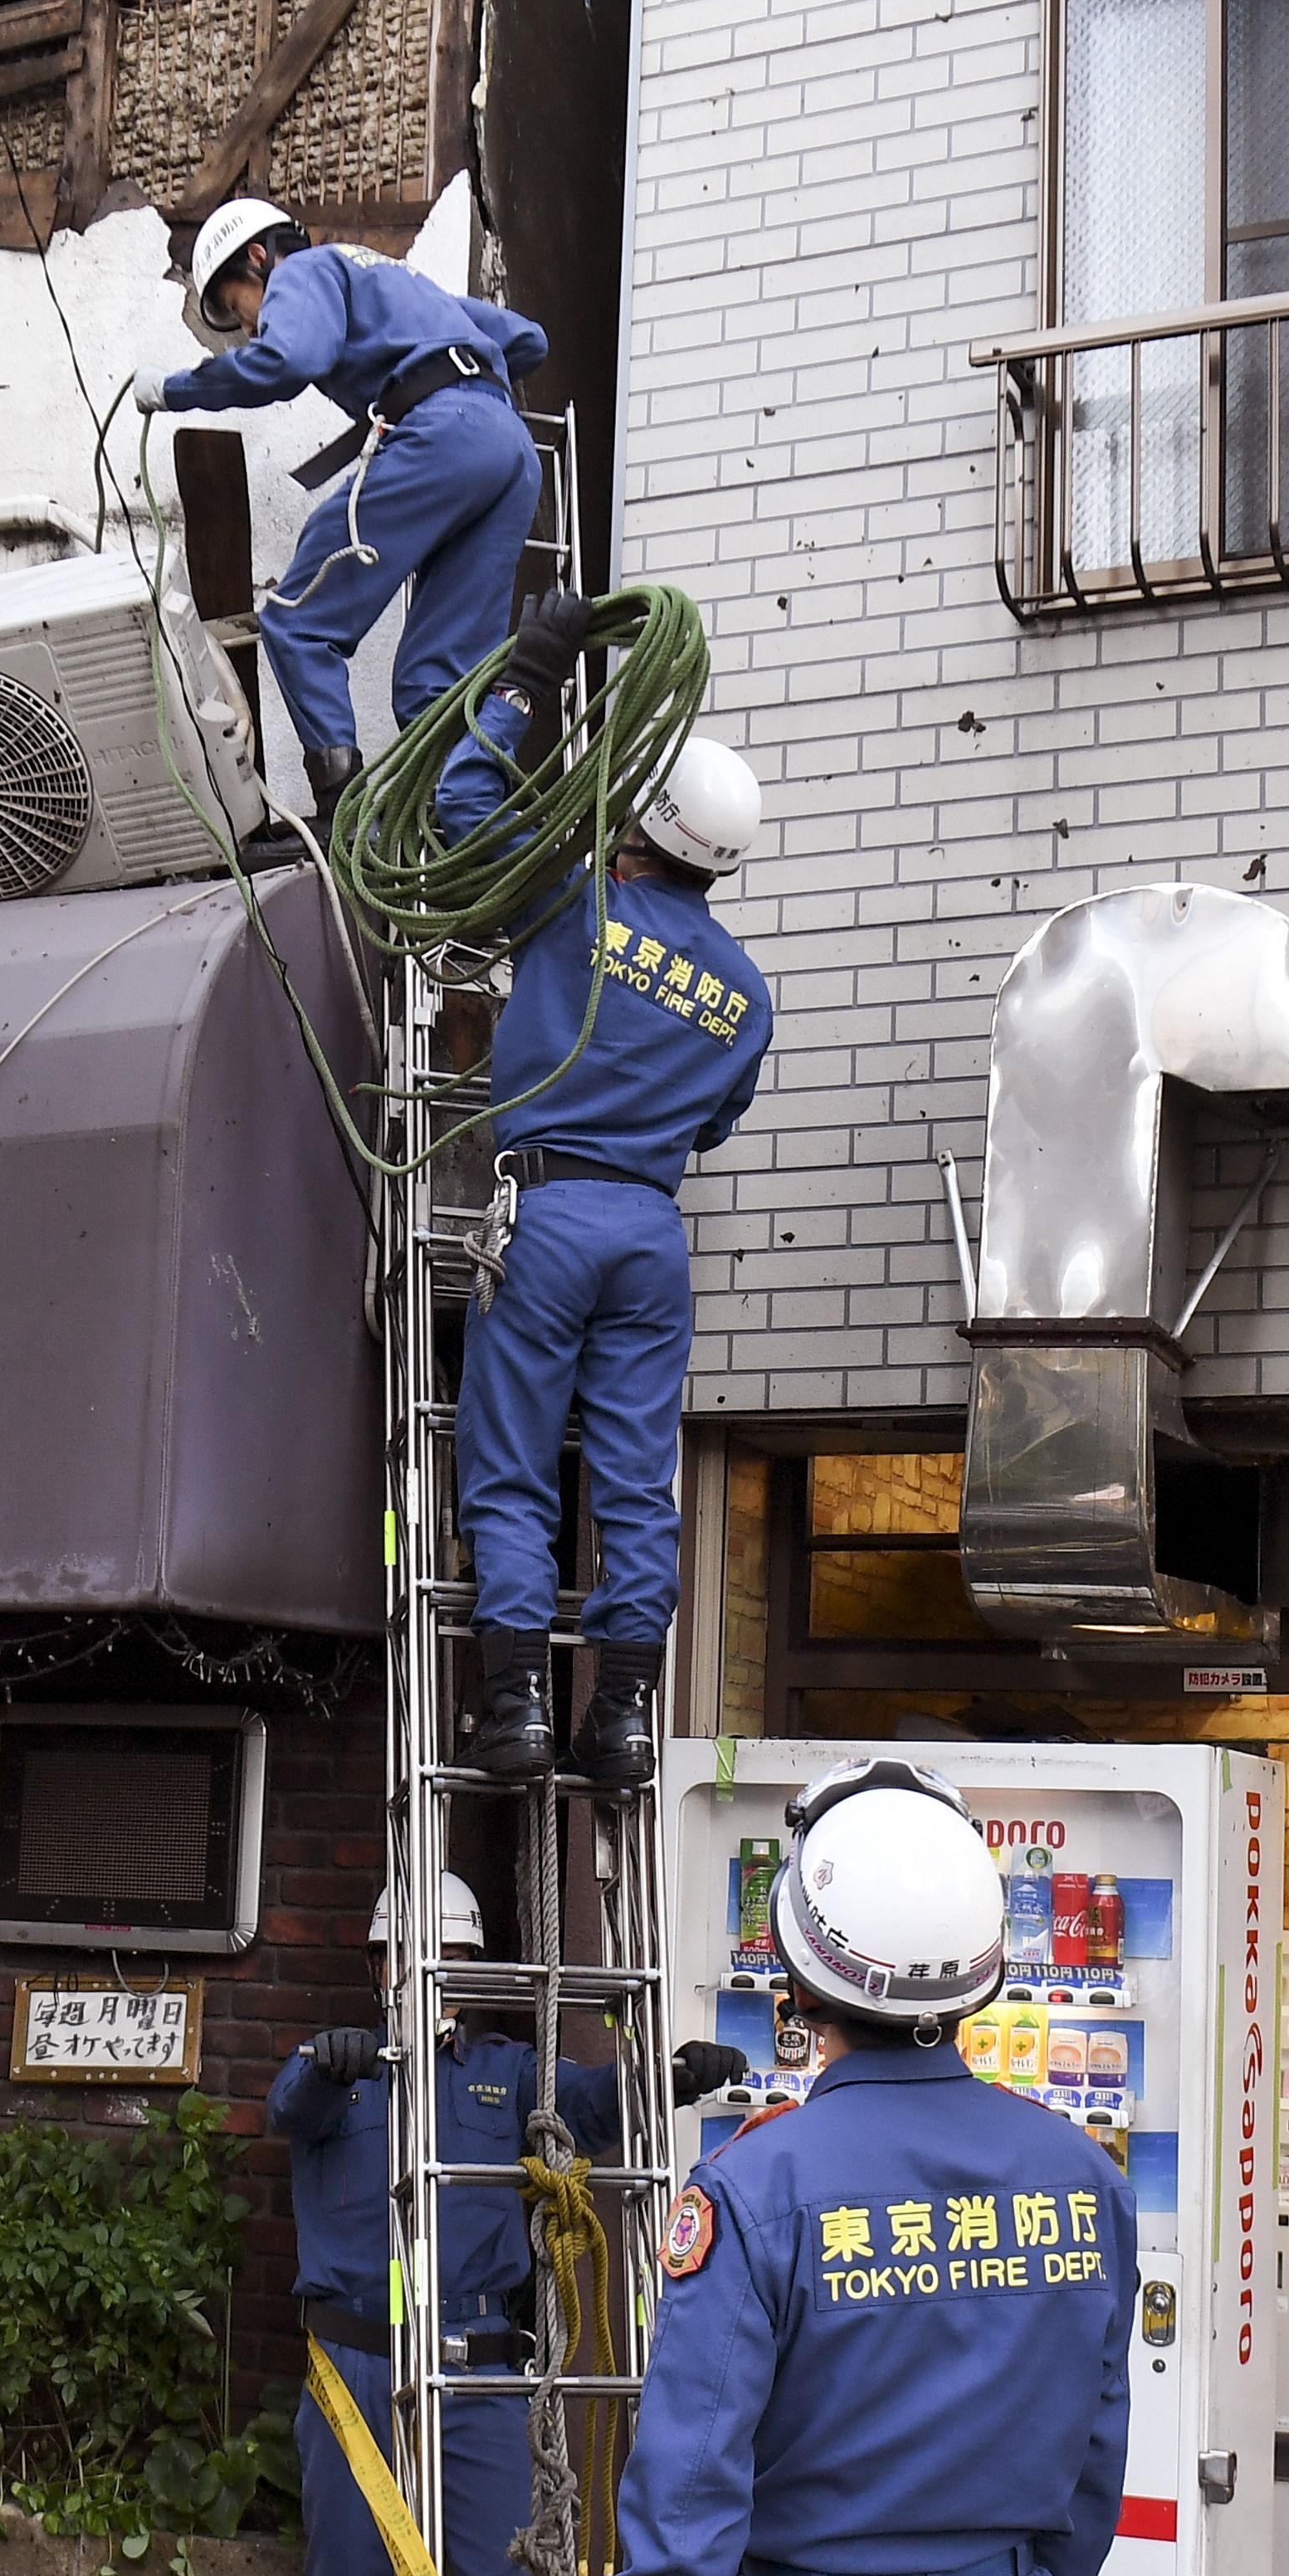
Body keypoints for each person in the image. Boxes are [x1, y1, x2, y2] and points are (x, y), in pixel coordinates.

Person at [588, 1759, 1134, 2576]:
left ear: (798, 1973)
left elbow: (689, 2497)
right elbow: (1100, 2455)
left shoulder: (755, 2186)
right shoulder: (1079, 2172)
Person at [271, 1869, 749, 2576]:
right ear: (376, 1963)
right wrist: (331, 2061)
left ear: (470, 1970)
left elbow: (591, 2103)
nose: (422, 1970)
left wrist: (668, 2077)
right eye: (404, 1952)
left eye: (444, 1955)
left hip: (477, 2362)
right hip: (357, 2362)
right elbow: (292, 2106)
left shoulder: (504, 2071)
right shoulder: (339, 2066)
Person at [427, 587, 774, 1792]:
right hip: (649, 1233)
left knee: (512, 1457)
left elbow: (462, 812)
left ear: (645, 818)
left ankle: (515, 1709)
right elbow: (716, 1123)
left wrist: (530, 665)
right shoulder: (747, 994)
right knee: (637, 1476)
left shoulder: (576, 901)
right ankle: (622, 1719)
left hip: (552, 1212)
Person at [131, 198, 549, 822]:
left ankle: (342, 817)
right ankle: (476, 829)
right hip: (511, 451)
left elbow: (290, 360)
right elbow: (528, 340)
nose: (246, 329)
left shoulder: (305, 270)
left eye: (235, 306)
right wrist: (456, 383)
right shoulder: (405, 287)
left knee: (299, 620)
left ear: (258, 258)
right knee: (434, 682)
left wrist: (175, 388)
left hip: (444, 437)